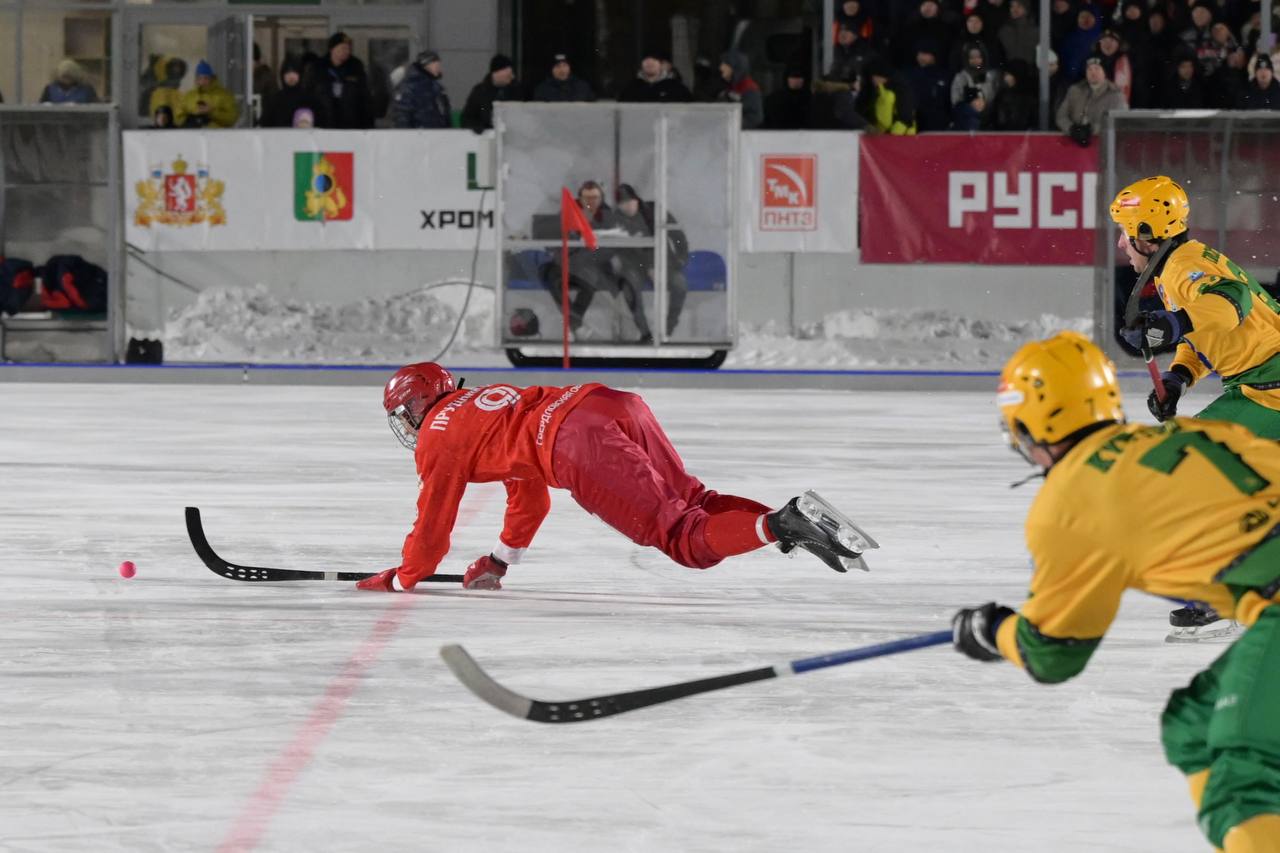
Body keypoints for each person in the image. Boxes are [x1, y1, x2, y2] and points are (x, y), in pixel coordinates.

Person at [952, 330, 1280, 853]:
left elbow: (1054, 653)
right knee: (1192, 726)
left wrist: (994, 630)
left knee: (1243, 785)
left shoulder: (1067, 501)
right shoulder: (1185, 435)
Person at [356, 364, 873, 592]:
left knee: (683, 539)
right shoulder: (480, 402)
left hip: (575, 442)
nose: (406, 424)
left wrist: (403, 578)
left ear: (417, 405)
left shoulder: (436, 438)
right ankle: (795, 518)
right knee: (693, 498)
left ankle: (782, 524)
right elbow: (528, 494)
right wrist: (500, 560)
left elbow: (432, 529)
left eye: (404, 413)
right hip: (606, 402)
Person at [1111, 175, 1280, 638]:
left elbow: (1231, 304)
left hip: (1268, 389)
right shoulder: (1178, 266)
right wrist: (1178, 378)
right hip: (1260, 386)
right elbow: (1210, 334)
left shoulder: (1183, 267)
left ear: (1148, 234)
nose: (1122, 243)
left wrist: (1171, 324)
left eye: (1126, 232)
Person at [612, 183, 689, 339]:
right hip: (634, 266)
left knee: (679, 284)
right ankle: (645, 332)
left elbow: (677, 235)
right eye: (622, 204)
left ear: (637, 199)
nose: (627, 207)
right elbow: (622, 250)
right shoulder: (616, 220)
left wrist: (681, 258)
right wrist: (647, 266)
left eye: (630, 201)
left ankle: (667, 330)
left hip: (663, 263)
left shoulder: (654, 211)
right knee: (629, 286)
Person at [306, 32, 373, 129]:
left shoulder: (355, 67)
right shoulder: (318, 68)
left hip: (351, 127)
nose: (347, 51)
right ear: (332, 49)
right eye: (343, 48)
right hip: (323, 126)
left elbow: (365, 99)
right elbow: (309, 97)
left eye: (348, 48)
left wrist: (367, 126)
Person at [1055, 56, 1126, 145]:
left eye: (1097, 69)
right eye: (1089, 69)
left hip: (1103, 146)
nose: (1093, 72)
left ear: (1104, 72)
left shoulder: (1116, 95)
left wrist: (1091, 129)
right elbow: (1061, 116)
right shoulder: (1075, 90)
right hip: (1073, 143)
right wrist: (1072, 129)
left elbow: (1119, 123)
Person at [461, 54, 523, 132]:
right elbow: (467, 118)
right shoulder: (480, 92)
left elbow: (521, 116)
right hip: (486, 138)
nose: (512, 77)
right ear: (498, 72)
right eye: (509, 74)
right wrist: (477, 126)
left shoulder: (515, 91)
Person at [391, 50, 452, 128]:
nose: (438, 68)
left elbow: (445, 114)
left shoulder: (438, 88)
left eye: (438, 65)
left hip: (438, 136)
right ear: (426, 65)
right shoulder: (410, 88)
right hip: (418, 136)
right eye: (435, 65)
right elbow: (402, 116)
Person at [261, 56, 318, 128]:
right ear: (282, 75)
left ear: (300, 74)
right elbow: (265, 124)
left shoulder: (309, 99)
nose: (291, 76)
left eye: (295, 72)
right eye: (287, 72)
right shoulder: (275, 99)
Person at [617, 50, 693, 102]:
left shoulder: (677, 88)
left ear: (662, 64)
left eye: (654, 59)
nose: (649, 63)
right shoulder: (631, 87)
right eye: (646, 60)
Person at [180, 60, 239, 128]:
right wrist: (194, 115)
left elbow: (232, 118)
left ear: (212, 78)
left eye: (206, 78)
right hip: (194, 136)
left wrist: (212, 112)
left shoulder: (224, 95)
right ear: (196, 79)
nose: (203, 81)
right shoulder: (189, 96)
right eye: (200, 78)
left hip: (218, 136)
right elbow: (179, 118)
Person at [717, 51, 764, 128]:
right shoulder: (728, 87)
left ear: (735, 69)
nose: (723, 75)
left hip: (744, 136)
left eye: (725, 70)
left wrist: (734, 124)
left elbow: (755, 117)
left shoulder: (750, 88)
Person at [148, 57, 188, 127]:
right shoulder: (159, 93)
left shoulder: (180, 94)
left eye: (179, 72)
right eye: (173, 70)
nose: (176, 73)